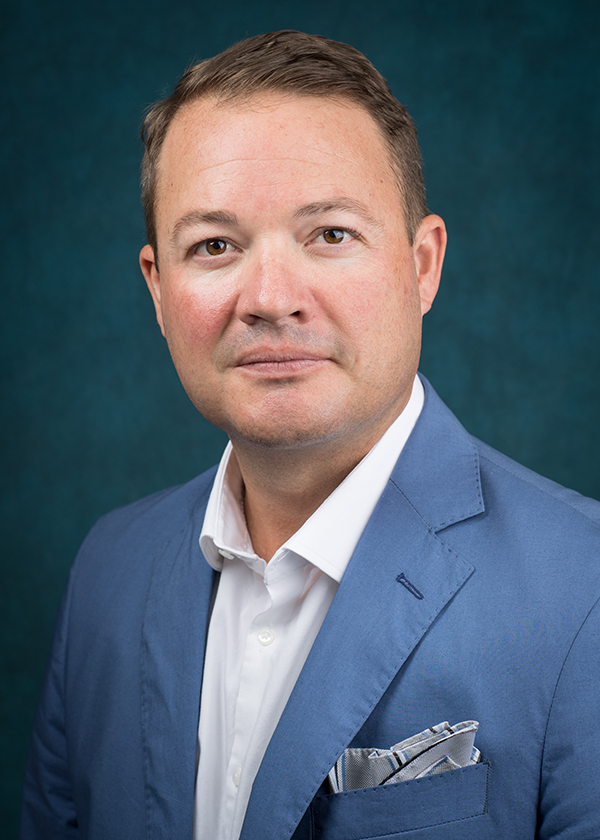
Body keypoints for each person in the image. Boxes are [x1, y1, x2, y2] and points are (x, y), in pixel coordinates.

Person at [20, 30, 600, 840]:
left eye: (329, 234)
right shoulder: (106, 573)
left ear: (422, 265)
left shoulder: (586, 586)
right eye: (214, 245)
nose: (270, 297)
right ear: (157, 288)